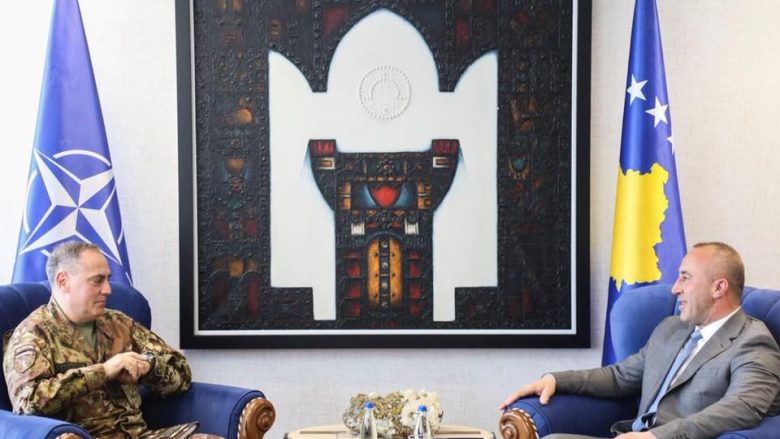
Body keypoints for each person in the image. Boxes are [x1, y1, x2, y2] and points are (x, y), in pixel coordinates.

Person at [500, 242, 780, 439]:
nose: (675, 289)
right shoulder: (672, 328)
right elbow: (620, 377)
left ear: (718, 287)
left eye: (685, 278)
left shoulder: (753, 342)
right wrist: (555, 380)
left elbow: (740, 409)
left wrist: (657, 436)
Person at [2, 241, 221, 439]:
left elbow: (181, 373)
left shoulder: (118, 323)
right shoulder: (33, 334)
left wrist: (148, 366)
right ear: (63, 281)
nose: (107, 289)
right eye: (97, 281)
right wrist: (104, 371)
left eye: (107, 279)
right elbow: (27, 405)